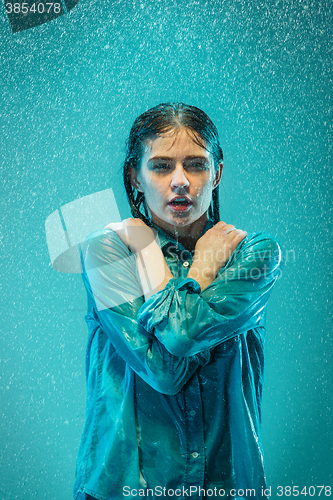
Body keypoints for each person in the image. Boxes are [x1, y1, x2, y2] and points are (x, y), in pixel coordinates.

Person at [74, 102, 283, 500]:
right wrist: (164, 257)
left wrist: (195, 264)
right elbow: (165, 372)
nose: (181, 181)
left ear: (217, 173)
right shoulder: (107, 252)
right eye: (161, 166)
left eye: (196, 164)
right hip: (124, 488)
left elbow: (180, 335)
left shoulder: (255, 255)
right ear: (135, 176)